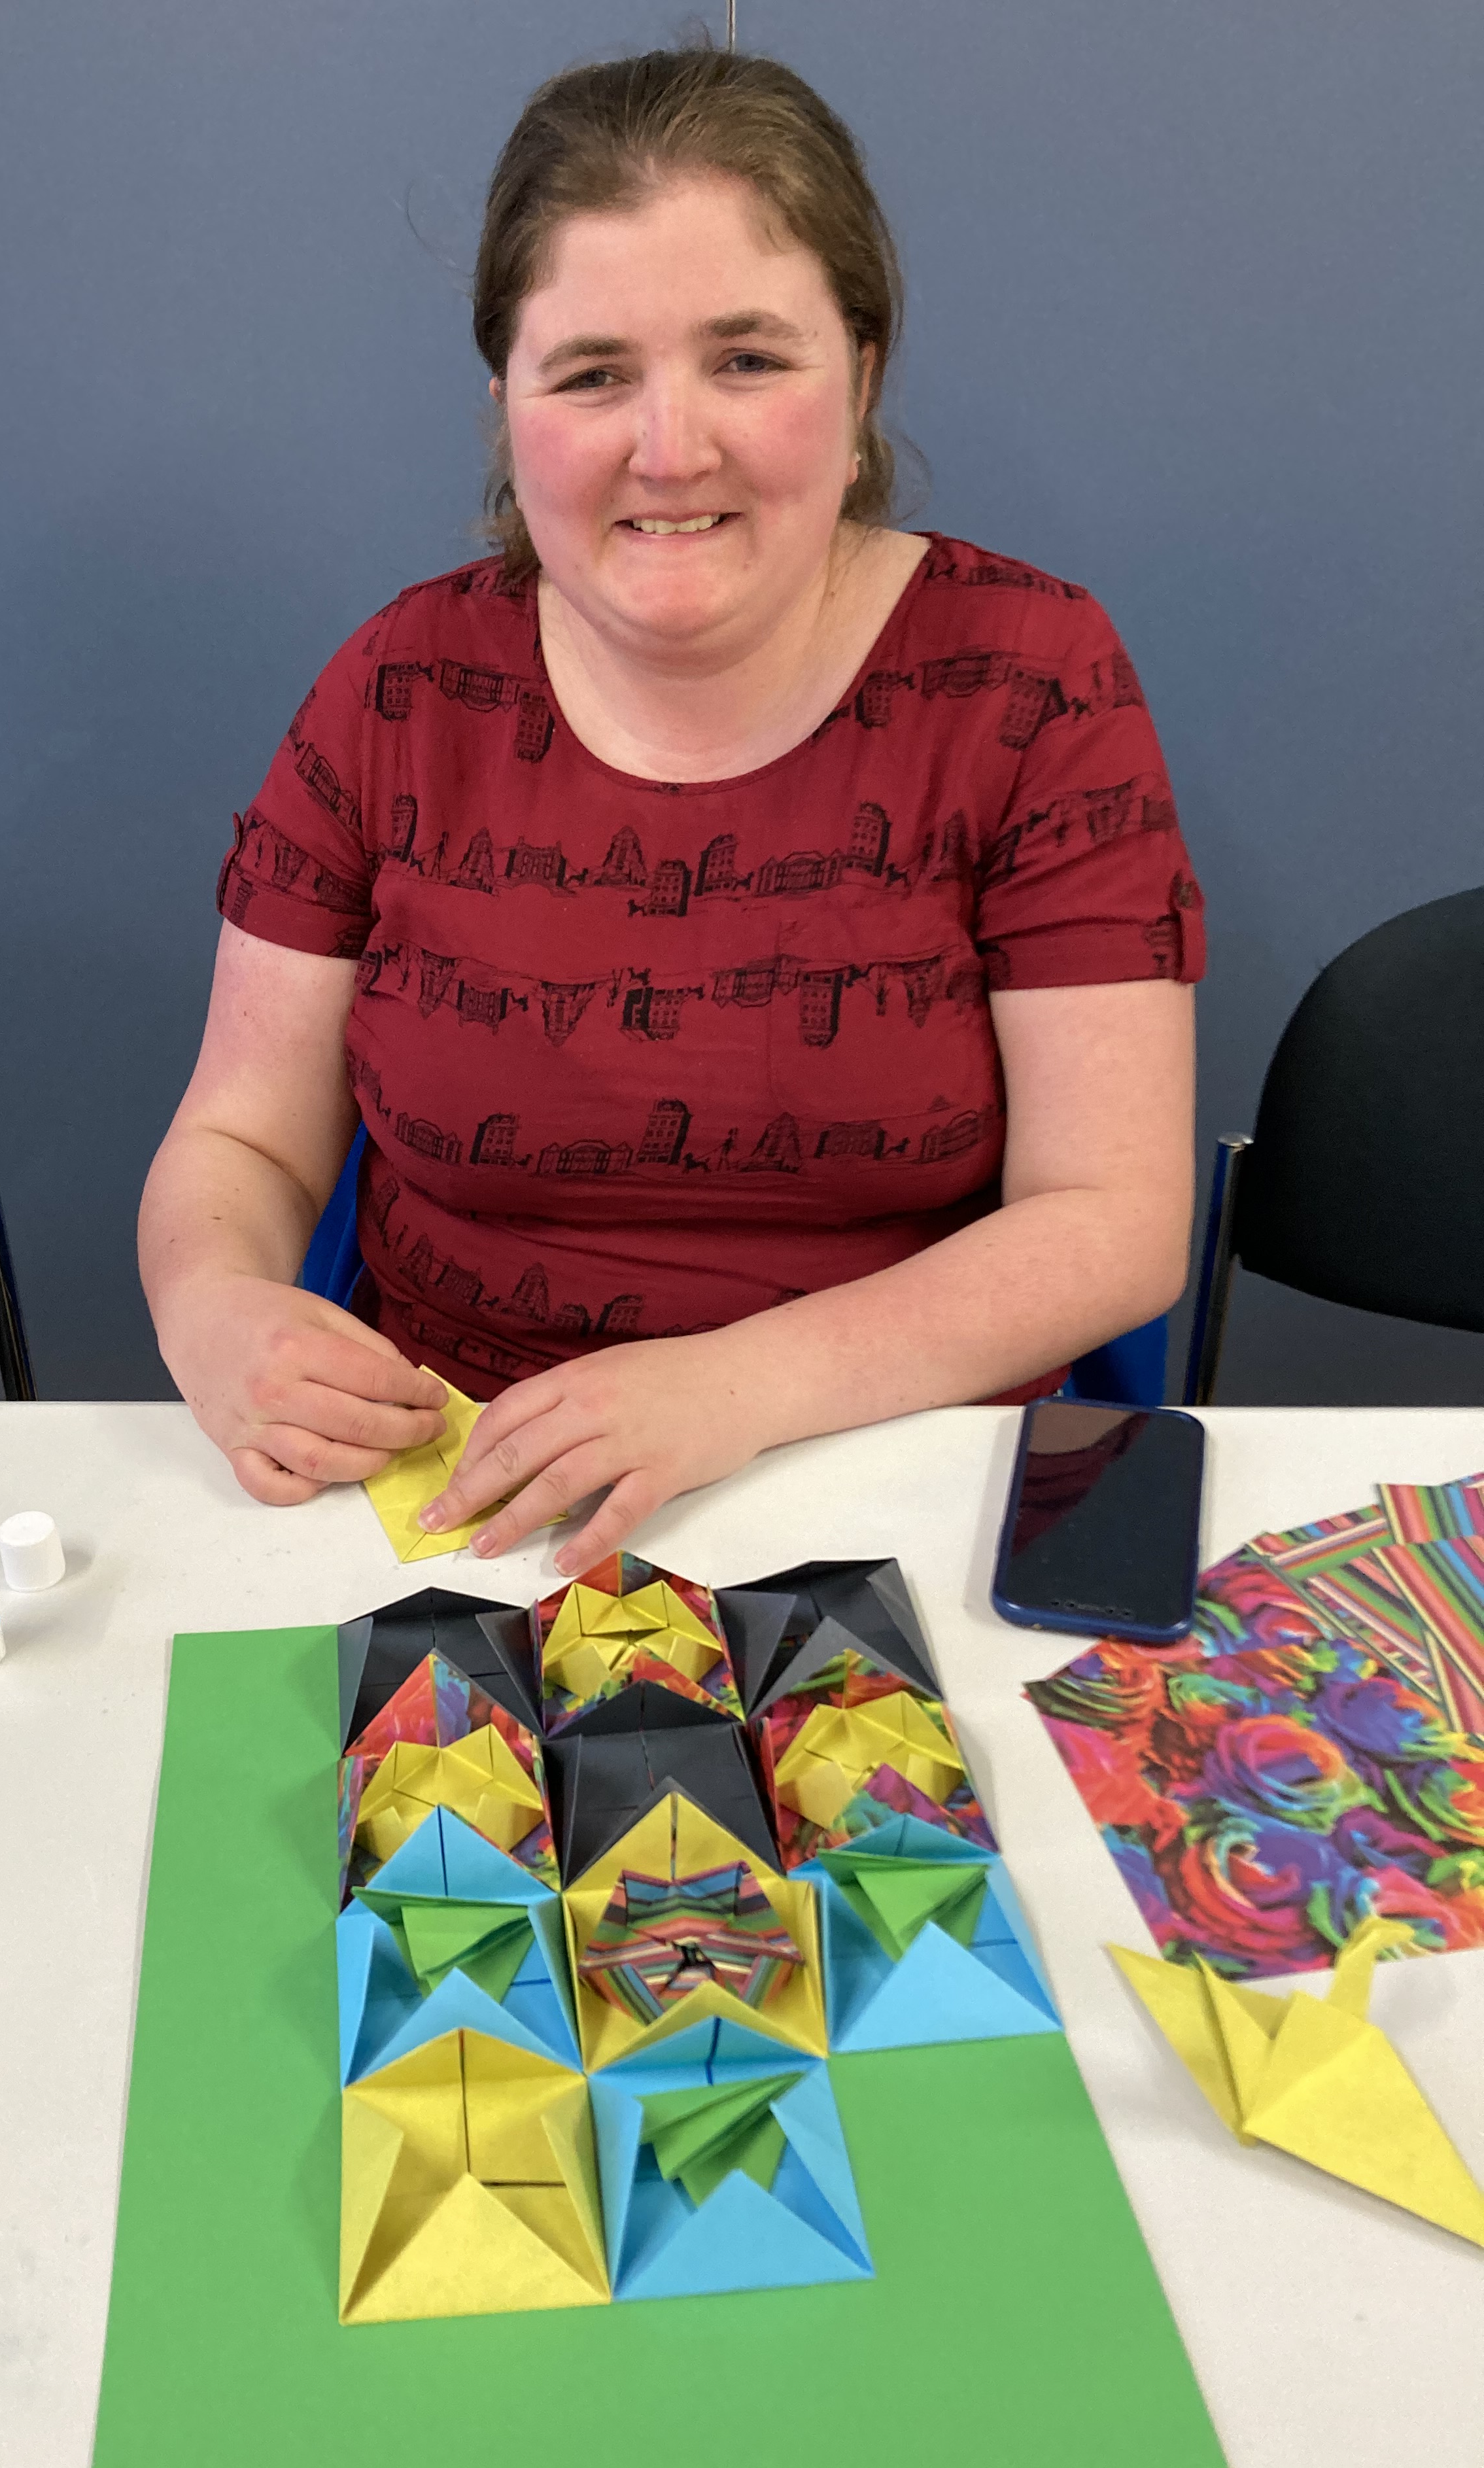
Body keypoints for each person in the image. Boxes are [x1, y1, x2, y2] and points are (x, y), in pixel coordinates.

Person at [138, 45, 1200, 1578]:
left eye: (748, 359)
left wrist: (732, 1390)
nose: (670, 447)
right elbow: (240, 1139)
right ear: (508, 406)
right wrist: (214, 1309)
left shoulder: (1031, 681)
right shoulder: (400, 690)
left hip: (891, 1485)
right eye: (592, 374)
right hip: (450, 1502)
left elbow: (1111, 1217)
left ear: (863, 379)